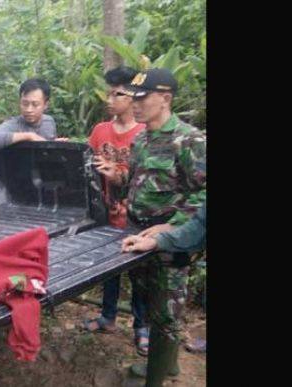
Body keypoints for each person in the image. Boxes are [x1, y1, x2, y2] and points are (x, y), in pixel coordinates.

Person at [118, 68, 206, 386]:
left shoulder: (189, 140)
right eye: (133, 97)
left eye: (142, 98)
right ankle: (167, 365)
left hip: (169, 243)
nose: (135, 104)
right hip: (139, 236)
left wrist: (172, 226)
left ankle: (155, 380)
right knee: (150, 303)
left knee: (167, 312)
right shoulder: (141, 139)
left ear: (165, 99)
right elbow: (138, 183)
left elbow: (203, 192)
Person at [79, 66, 150, 357]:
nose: (109, 99)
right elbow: (85, 165)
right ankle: (108, 317)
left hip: (135, 218)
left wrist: (118, 174)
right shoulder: (100, 131)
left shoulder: (145, 133)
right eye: (108, 93)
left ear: (133, 96)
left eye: (116, 93)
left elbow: (150, 180)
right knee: (109, 270)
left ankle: (142, 327)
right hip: (106, 216)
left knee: (139, 275)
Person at [0, 79, 66, 149]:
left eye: (35, 104)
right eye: (25, 104)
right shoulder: (14, 124)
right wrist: (29, 136)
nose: (29, 110)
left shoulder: (49, 121)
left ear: (46, 105)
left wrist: (53, 144)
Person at [122, 203, 206, 254]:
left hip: (173, 256)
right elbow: (199, 227)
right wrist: (157, 241)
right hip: (143, 232)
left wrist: (174, 223)